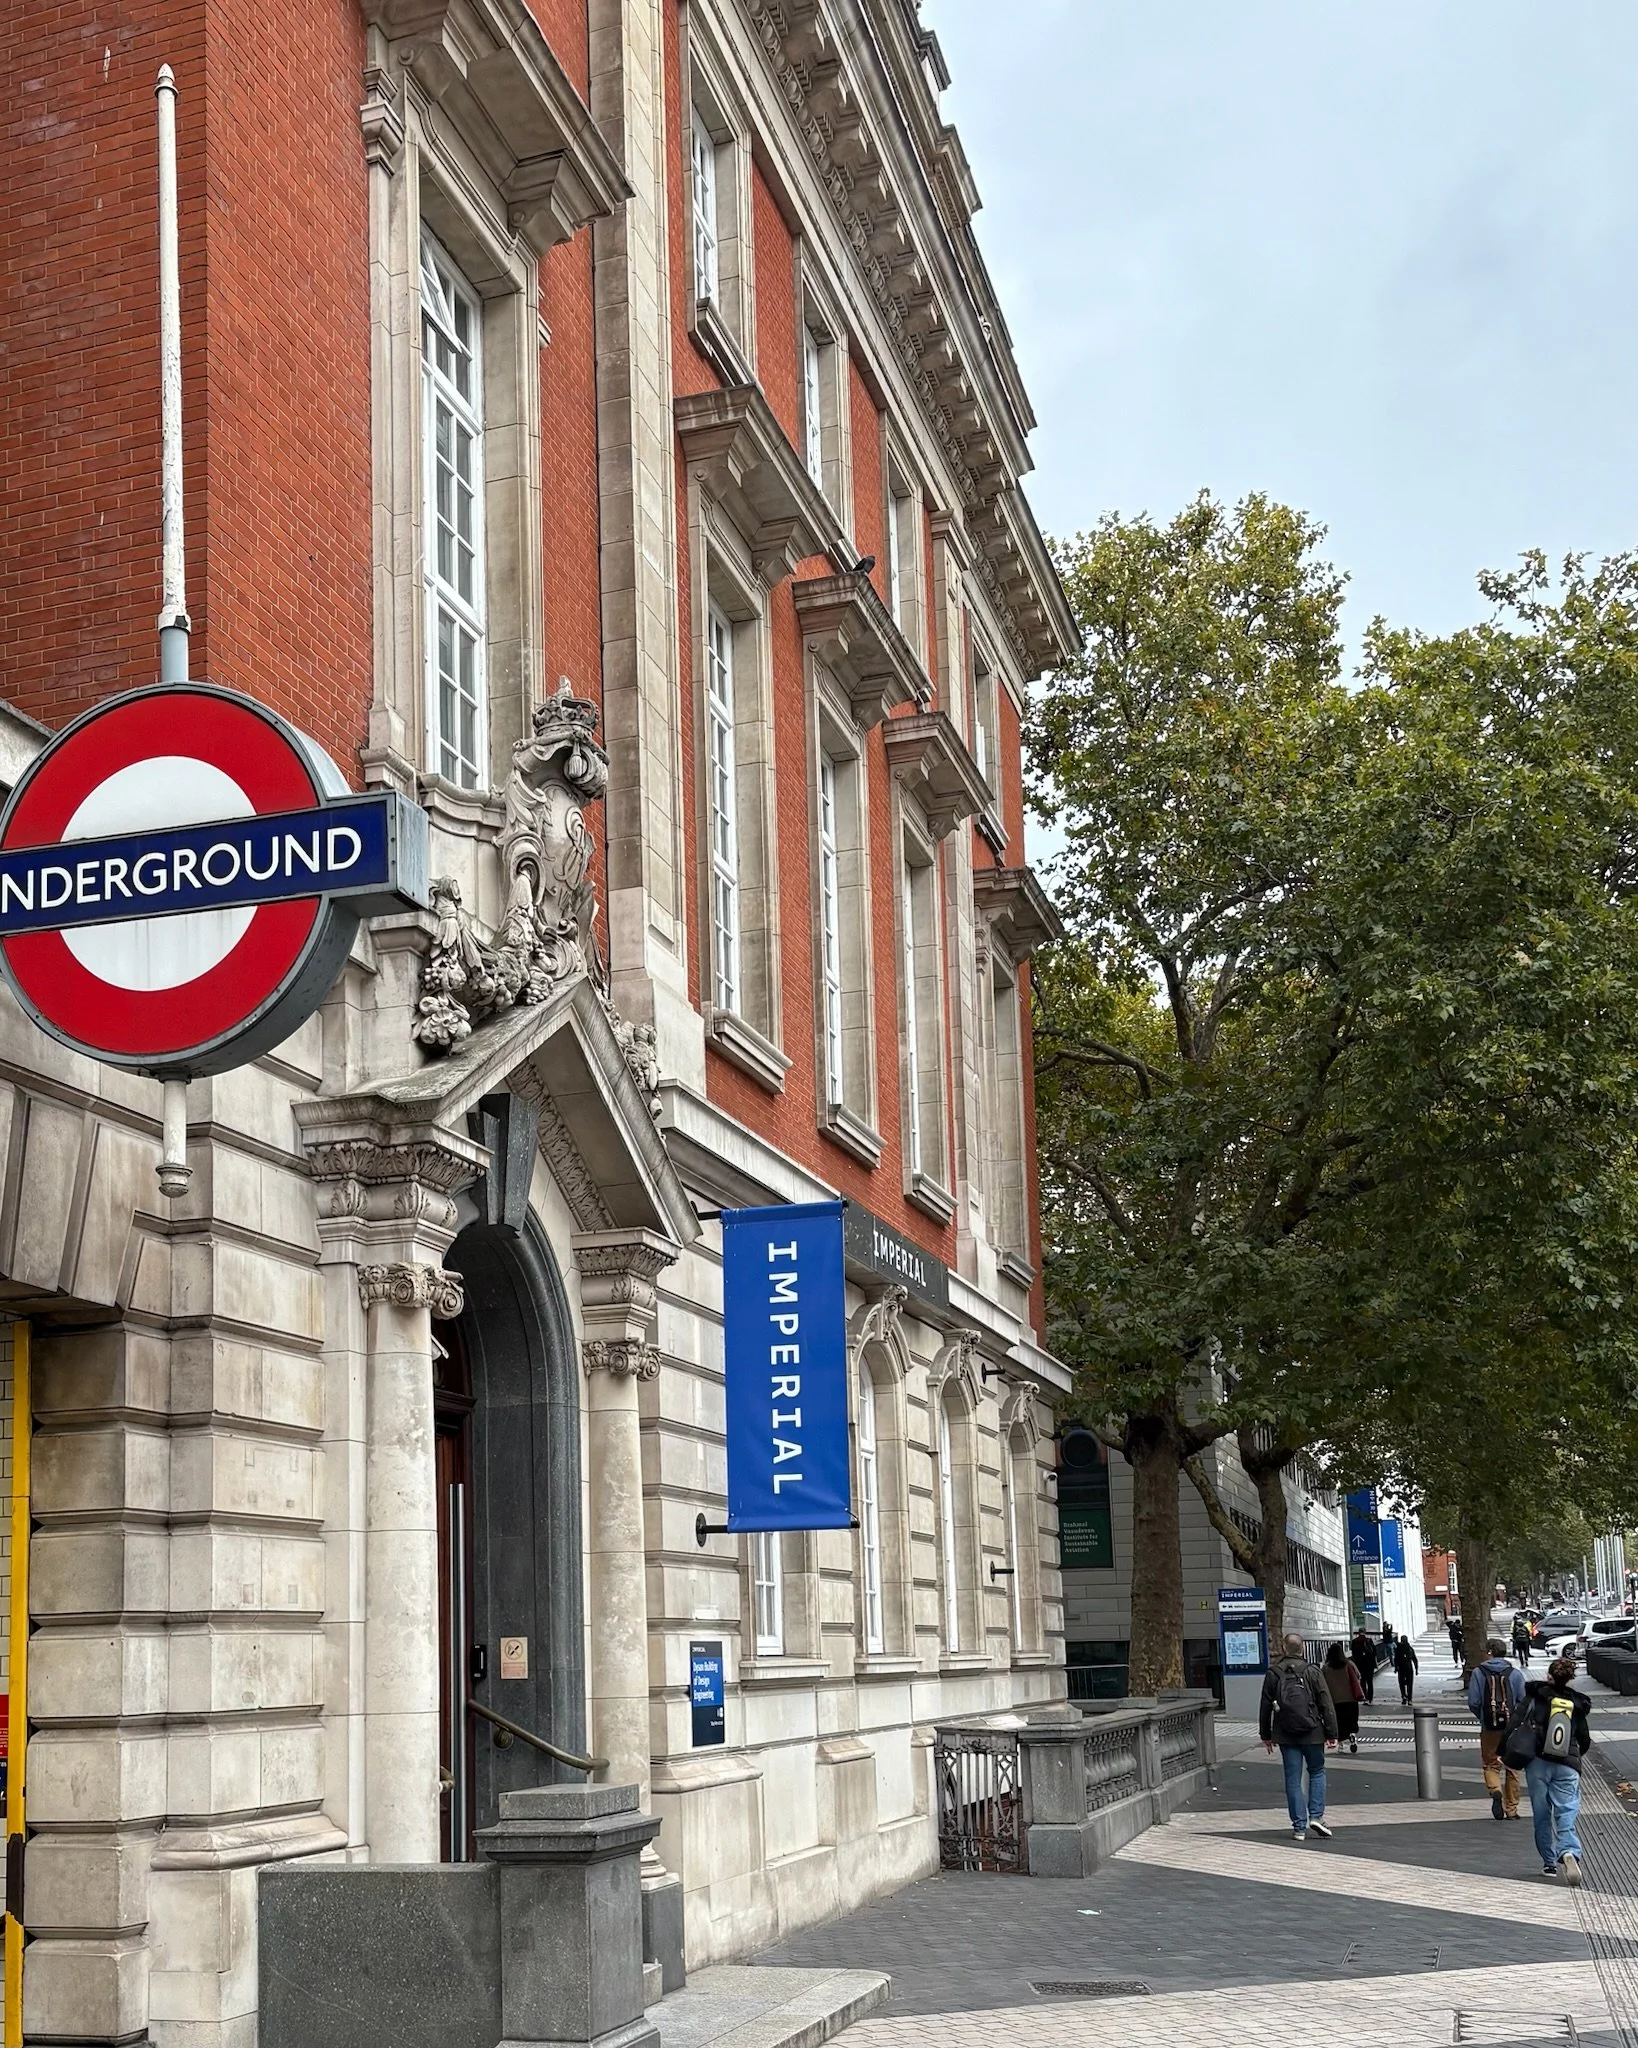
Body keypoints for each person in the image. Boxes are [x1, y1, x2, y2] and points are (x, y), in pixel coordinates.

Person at [1508, 1655, 1592, 1884]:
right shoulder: (1576, 1703)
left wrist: (1502, 1750)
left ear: (1548, 1676)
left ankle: (1549, 1863)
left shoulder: (1534, 1697)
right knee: (1566, 1810)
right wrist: (1575, 1757)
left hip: (1538, 1762)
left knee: (1542, 1813)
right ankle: (1569, 1851)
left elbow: (1514, 1723)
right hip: (1568, 1764)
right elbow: (1584, 1739)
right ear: (1569, 1679)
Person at [1259, 1631, 1339, 1841]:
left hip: (1286, 1734)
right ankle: (1316, 1816)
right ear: (1302, 1649)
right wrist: (1332, 1733)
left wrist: (1266, 1735)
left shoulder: (1273, 1673)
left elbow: (1265, 1706)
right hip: (1313, 1732)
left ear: (1284, 1648)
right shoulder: (1312, 1671)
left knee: (1293, 1778)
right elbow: (1325, 1702)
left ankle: (1299, 1827)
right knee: (1317, 1771)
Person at [1466, 1635, 1526, 1820]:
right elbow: (1523, 1701)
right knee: (1513, 1768)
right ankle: (1512, 1809)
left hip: (1490, 1727)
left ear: (1489, 1652)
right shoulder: (1515, 1674)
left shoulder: (1478, 1673)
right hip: (1512, 1728)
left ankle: (1495, 1790)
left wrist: (1484, 1718)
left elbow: (1474, 1702)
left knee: (1491, 1764)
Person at [1322, 1641, 1363, 1754]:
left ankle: (1341, 1745)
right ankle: (1352, 1735)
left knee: (1339, 1723)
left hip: (1335, 1701)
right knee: (1351, 1722)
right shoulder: (1349, 1664)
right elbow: (1358, 1675)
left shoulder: (1326, 1668)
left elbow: (1322, 1683)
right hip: (1350, 1699)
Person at [1350, 1625, 1378, 1704]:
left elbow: (1353, 1654)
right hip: (1369, 1665)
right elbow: (1374, 1653)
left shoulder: (1355, 1641)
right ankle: (1370, 1698)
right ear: (1365, 1632)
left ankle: (1364, 1696)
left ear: (1358, 1632)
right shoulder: (1369, 1640)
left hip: (1360, 1665)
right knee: (1370, 1681)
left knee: (1362, 1681)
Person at [1392, 1630, 1419, 1705]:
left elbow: (1396, 1659)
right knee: (1410, 1684)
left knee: (1402, 1684)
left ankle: (1403, 1696)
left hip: (1401, 1668)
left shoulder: (1398, 1649)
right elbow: (1414, 1659)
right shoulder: (1410, 1648)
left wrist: (1396, 1668)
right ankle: (1409, 1699)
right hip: (1409, 1668)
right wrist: (1416, 1669)